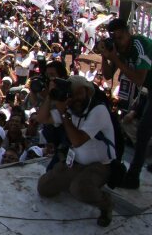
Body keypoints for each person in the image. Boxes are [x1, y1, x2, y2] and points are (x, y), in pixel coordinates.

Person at [36, 75, 115, 226]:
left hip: (100, 165)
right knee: (44, 187)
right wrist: (50, 97)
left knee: (78, 188)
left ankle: (106, 203)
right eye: (72, 94)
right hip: (77, 163)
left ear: (87, 92)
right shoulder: (70, 108)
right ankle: (76, 183)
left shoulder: (98, 110)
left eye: (79, 93)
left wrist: (64, 114)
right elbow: (41, 118)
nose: (76, 98)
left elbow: (77, 141)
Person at [99, 18, 152, 189]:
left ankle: (133, 177)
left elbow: (138, 79)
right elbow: (107, 76)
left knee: (144, 130)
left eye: (120, 38)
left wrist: (116, 58)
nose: (118, 43)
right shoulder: (118, 49)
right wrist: (105, 56)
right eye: (114, 39)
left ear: (128, 33)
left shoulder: (140, 45)